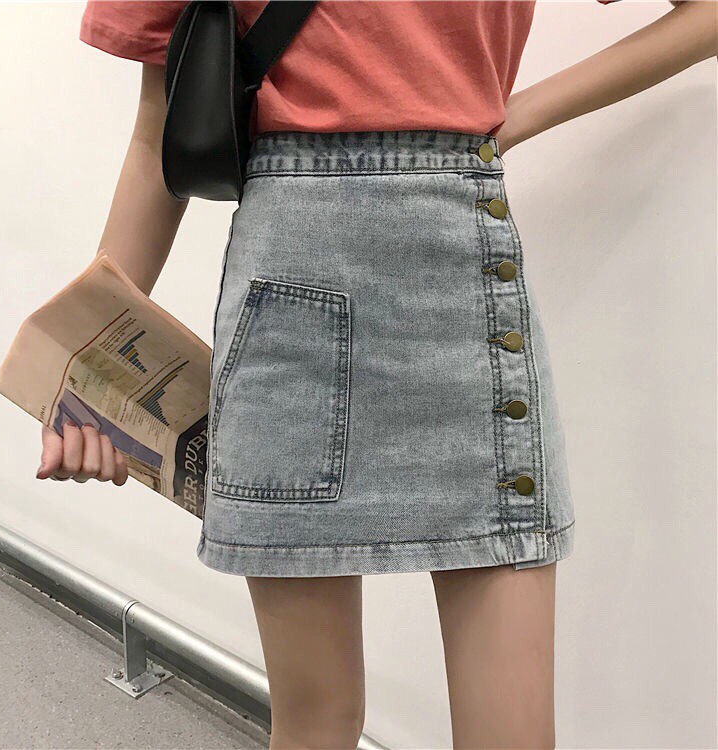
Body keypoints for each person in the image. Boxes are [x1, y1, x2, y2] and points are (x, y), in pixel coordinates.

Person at [35, 1, 716, 747]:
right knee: (318, 722)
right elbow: (157, 136)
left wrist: (517, 115)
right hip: (295, 323)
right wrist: (90, 369)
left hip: (463, 302)